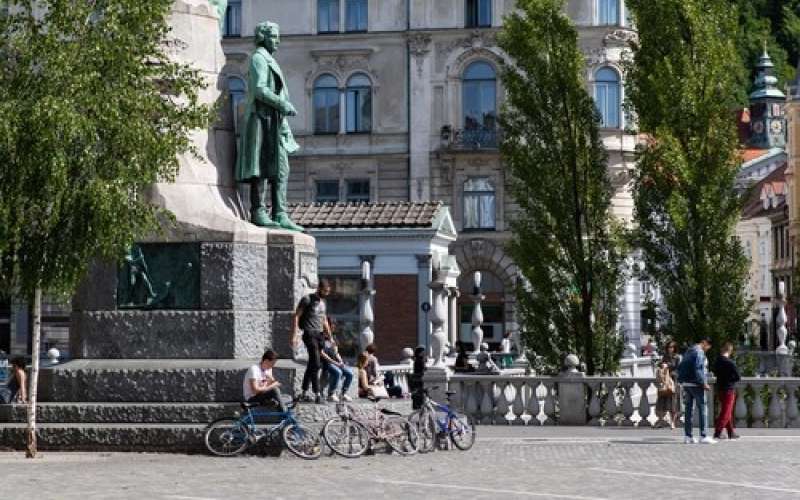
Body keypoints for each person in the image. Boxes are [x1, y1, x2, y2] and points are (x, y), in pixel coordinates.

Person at [292, 279, 332, 404]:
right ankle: (317, 393)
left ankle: (303, 392)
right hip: (309, 333)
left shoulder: (323, 302)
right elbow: (297, 316)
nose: (326, 293)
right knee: (316, 363)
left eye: (328, 292)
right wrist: (294, 335)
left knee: (312, 364)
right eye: (325, 291)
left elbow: (324, 319)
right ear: (319, 289)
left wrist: (330, 336)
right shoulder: (307, 299)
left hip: (320, 335)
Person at [677, 337, 716, 444]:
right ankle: (703, 436)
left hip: (686, 383)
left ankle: (688, 436)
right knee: (703, 408)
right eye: (707, 347)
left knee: (688, 410)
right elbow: (698, 368)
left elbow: (680, 366)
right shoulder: (699, 352)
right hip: (696, 384)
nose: (707, 349)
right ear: (704, 343)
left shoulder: (689, 351)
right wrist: (703, 383)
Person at [712, 342, 741, 440]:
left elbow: (715, 373)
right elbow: (738, 377)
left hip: (719, 388)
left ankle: (730, 432)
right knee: (726, 412)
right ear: (730, 351)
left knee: (725, 410)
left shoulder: (717, 361)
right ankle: (718, 432)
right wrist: (730, 379)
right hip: (729, 389)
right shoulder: (730, 362)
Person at [320, 330, 353, 403]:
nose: (328, 333)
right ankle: (331, 394)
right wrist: (335, 363)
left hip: (335, 362)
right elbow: (322, 354)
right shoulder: (320, 340)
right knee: (338, 372)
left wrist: (341, 361)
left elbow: (336, 353)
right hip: (325, 363)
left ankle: (343, 394)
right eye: (326, 331)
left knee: (350, 373)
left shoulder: (332, 340)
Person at [655, 341, 681, 429]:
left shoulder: (677, 357)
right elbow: (659, 364)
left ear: (675, 348)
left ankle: (672, 422)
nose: (670, 349)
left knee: (673, 402)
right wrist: (662, 365)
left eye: (672, 347)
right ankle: (661, 421)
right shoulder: (665, 356)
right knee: (662, 401)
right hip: (664, 382)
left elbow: (679, 368)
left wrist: (668, 366)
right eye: (669, 347)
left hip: (673, 381)